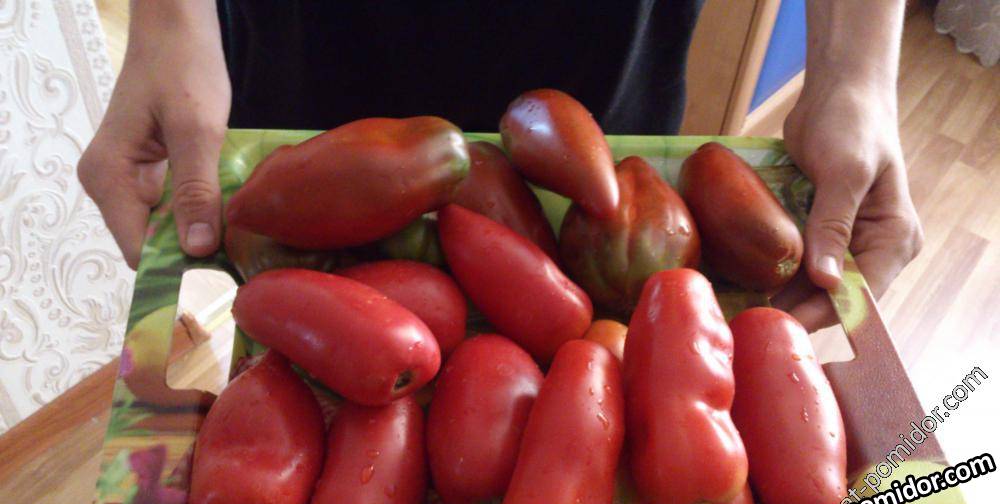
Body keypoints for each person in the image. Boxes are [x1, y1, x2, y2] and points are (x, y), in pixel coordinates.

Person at [78, 1, 922, 332]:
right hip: (312, 53)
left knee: (606, 248)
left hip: (595, 64)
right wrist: (169, 22)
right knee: (285, 249)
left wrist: (854, 72)